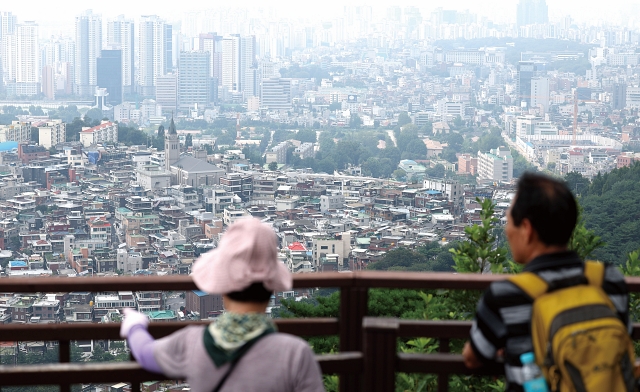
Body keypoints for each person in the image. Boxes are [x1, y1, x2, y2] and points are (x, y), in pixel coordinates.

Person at [462, 172, 631, 391]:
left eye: (509, 219)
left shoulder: (505, 295)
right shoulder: (608, 279)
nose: (506, 229)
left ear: (527, 229)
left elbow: (472, 358)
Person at [120, 217, 325, 392]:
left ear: (223, 286)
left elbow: (145, 353)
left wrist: (135, 324)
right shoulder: (295, 353)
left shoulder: (192, 342)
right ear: (272, 287)